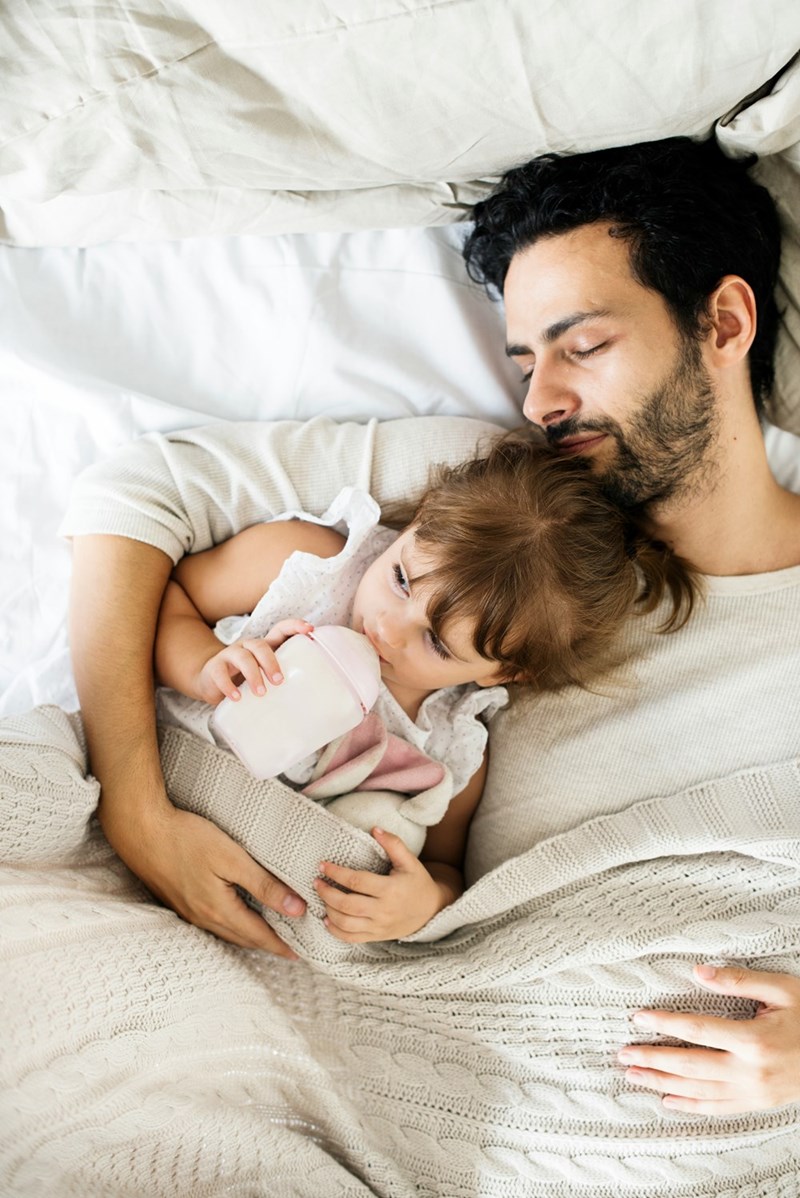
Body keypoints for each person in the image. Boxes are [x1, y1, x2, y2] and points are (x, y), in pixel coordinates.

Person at [55, 136, 800, 1117]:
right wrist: (137, 807)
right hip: (408, 1048)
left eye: (581, 346)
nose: (538, 399)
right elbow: (134, 497)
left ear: (724, 319)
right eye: (526, 361)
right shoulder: (485, 502)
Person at [152, 435, 693, 941]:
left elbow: (444, 868)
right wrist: (203, 666)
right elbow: (165, 599)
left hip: (257, 885)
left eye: (435, 642)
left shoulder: (447, 744)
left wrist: (422, 904)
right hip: (153, 777)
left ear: (500, 673)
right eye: (400, 579)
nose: (386, 626)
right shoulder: (310, 569)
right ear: (418, 520)